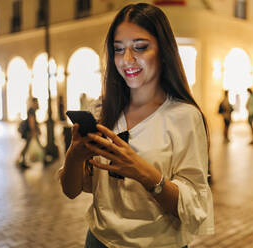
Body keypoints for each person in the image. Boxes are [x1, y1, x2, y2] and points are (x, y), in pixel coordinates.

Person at [58, 3, 214, 248]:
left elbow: (194, 205)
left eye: (140, 47)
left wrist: (145, 173)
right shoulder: (100, 110)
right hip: (99, 240)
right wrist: (75, 156)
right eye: (118, 49)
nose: (127, 60)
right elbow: (71, 190)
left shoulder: (184, 116)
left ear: (163, 51)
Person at [18, 97, 42, 169]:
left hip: (29, 131)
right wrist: (33, 131)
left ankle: (21, 160)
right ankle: (21, 161)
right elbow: (31, 122)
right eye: (36, 102)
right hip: (29, 132)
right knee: (27, 146)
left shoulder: (31, 110)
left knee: (27, 146)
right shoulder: (31, 110)